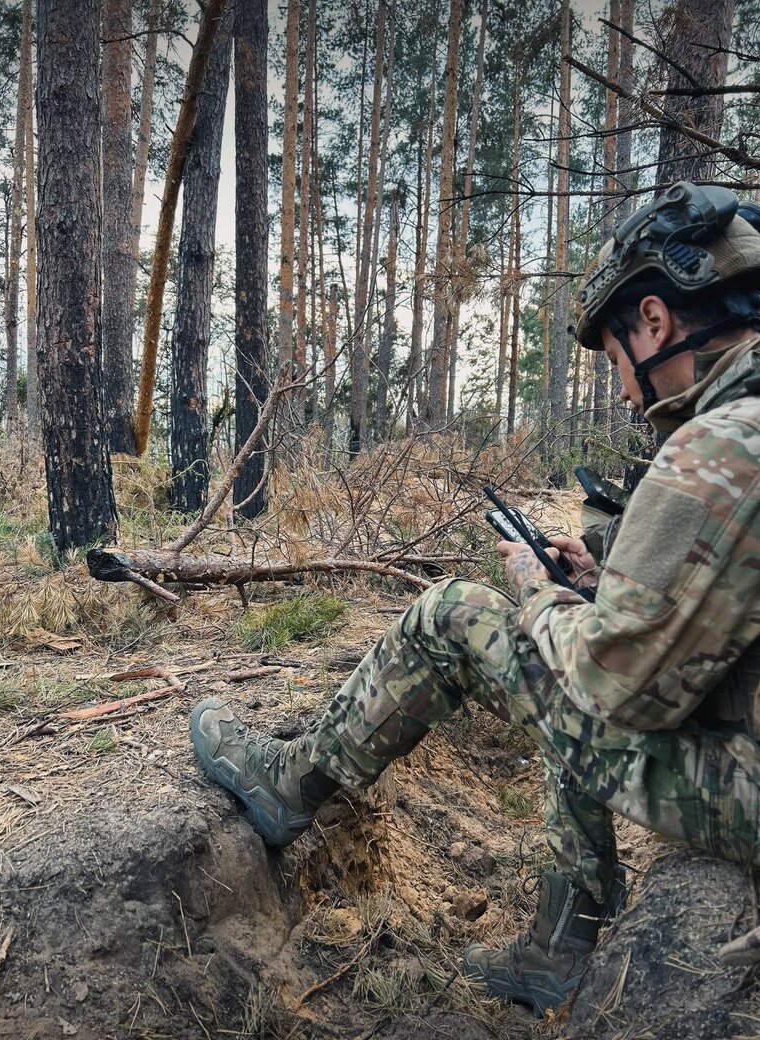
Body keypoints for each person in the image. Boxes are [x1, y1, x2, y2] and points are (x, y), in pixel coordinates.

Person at [191, 182, 760, 1018]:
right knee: (555, 661)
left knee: (460, 613)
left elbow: (608, 683)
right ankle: (560, 945)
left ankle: (289, 784)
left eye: (613, 362)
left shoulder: (721, 445)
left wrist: (537, 593)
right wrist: (604, 588)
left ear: (654, 321)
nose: (628, 394)